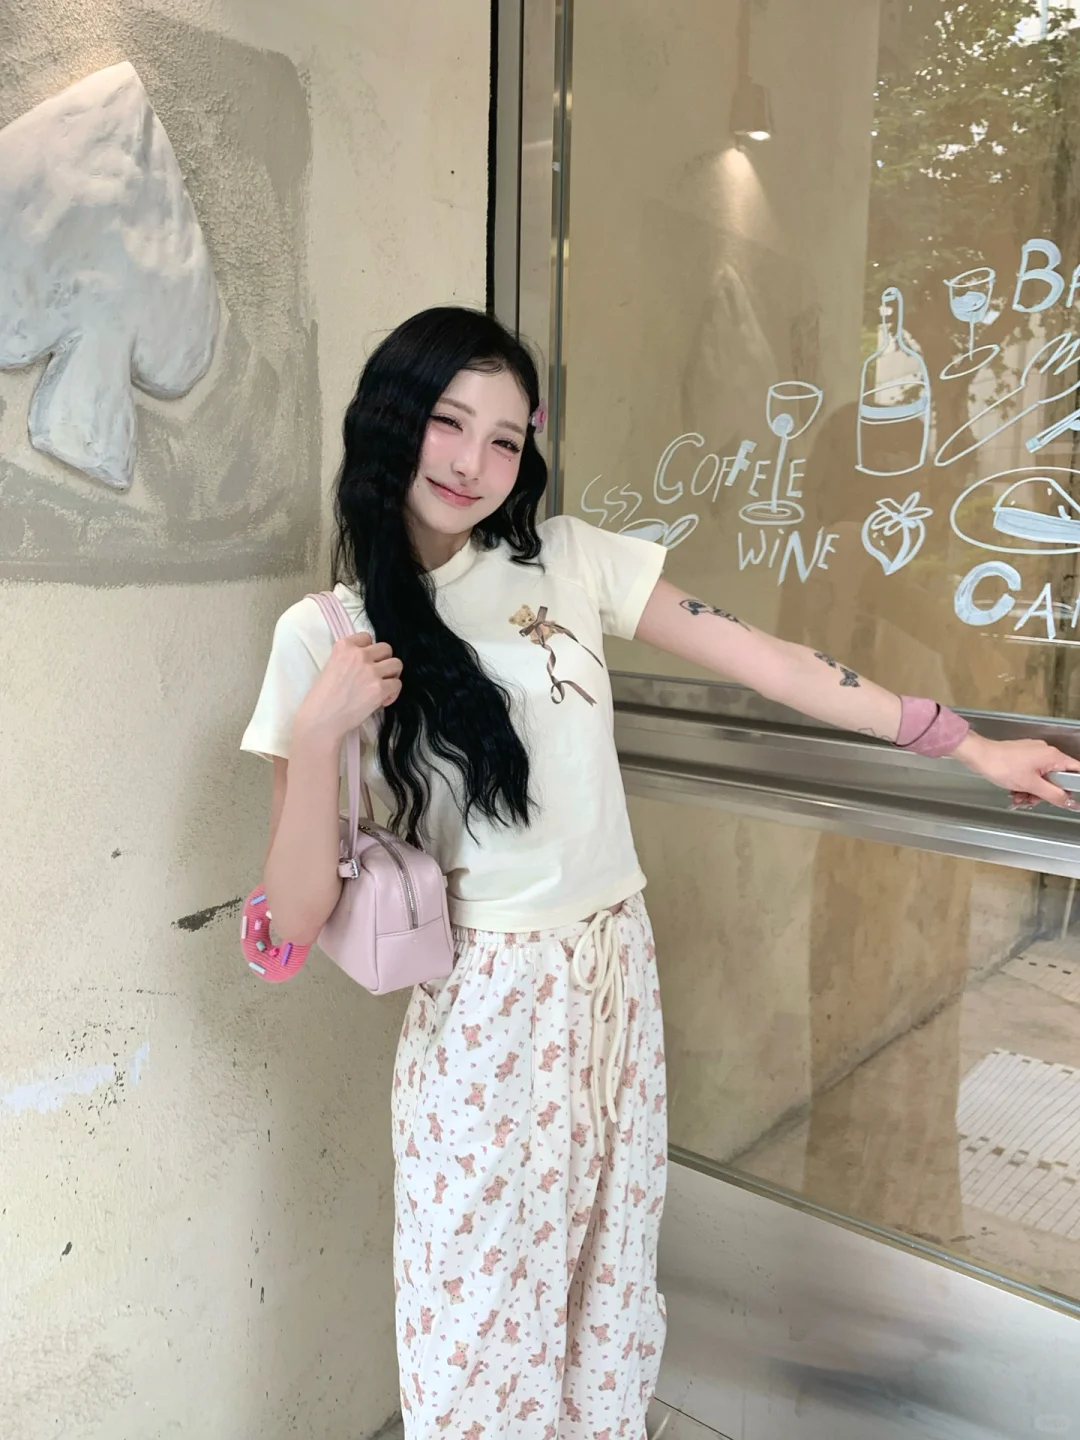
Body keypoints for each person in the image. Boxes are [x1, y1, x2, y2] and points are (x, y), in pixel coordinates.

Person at [240, 306, 1079, 1439]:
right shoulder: (324, 633)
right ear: (394, 416)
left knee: (609, 1292)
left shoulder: (567, 558)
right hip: (489, 1013)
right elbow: (293, 919)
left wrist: (967, 744)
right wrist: (320, 730)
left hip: (615, 982)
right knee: (480, 1321)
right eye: (449, 421)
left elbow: (773, 663)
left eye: (505, 438)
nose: (474, 461)